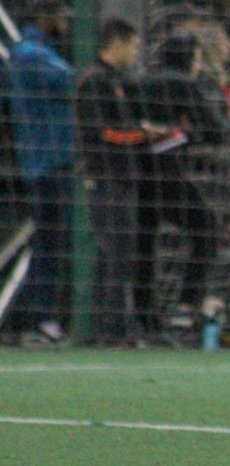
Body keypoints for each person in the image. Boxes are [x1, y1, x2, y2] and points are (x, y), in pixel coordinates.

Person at [76, 18, 166, 345]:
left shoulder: (119, 81)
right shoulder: (95, 82)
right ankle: (112, 329)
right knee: (116, 253)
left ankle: (110, 326)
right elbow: (104, 133)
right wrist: (143, 134)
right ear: (117, 44)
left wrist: (146, 132)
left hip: (124, 177)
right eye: (133, 46)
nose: (136, 53)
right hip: (107, 177)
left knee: (117, 253)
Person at [139, 31, 229, 330]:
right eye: (198, 59)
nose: (200, 66)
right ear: (189, 59)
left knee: (144, 243)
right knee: (207, 226)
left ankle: (143, 315)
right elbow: (214, 130)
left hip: (135, 171)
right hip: (166, 171)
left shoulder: (144, 80)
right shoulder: (182, 83)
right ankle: (187, 302)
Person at [8, 0, 75, 344]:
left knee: (50, 242)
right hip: (46, 163)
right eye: (62, 16)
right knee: (49, 243)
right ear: (46, 17)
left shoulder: (39, 52)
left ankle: (39, 318)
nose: (66, 23)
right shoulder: (31, 55)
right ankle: (39, 320)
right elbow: (70, 80)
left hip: (49, 161)